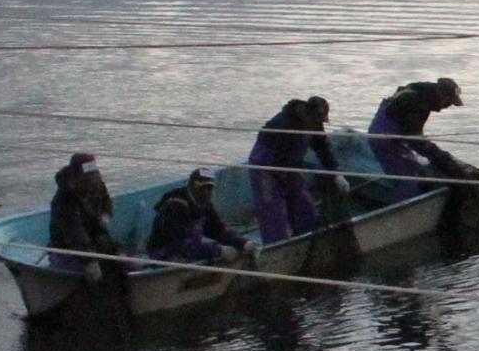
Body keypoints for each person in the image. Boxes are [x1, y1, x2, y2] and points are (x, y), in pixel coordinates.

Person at [247, 96, 343, 243]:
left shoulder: (314, 124)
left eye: (320, 121)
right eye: (316, 120)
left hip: (289, 167)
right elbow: (281, 160)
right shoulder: (283, 125)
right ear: (307, 113)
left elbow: (322, 147)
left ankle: (308, 239)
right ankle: (278, 247)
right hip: (266, 168)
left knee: (305, 208)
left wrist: (335, 172)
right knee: (273, 211)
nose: (317, 124)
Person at [367, 77, 465, 200]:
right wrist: (440, 156)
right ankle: (402, 211)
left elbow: (412, 130)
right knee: (409, 178)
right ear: (441, 95)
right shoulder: (419, 104)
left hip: (394, 132)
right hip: (383, 137)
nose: (447, 106)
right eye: (449, 102)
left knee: (419, 170)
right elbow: (415, 140)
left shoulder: (422, 89)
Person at [48, 152, 127, 287]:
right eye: (88, 174)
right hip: (67, 246)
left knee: (118, 260)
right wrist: (89, 260)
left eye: (94, 173)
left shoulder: (97, 183)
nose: (93, 178)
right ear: (77, 174)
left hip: (94, 235)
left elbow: (106, 200)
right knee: (96, 274)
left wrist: (106, 214)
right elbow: (74, 231)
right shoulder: (65, 198)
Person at [147, 167, 252, 265]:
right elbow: (179, 244)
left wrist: (242, 242)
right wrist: (217, 250)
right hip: (166, 253)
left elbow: (218, 231)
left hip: (192, 247)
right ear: (194, 187)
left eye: (210, 188)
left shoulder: (204, 205)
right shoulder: (175, 207)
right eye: (205, 188)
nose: (209, 193)